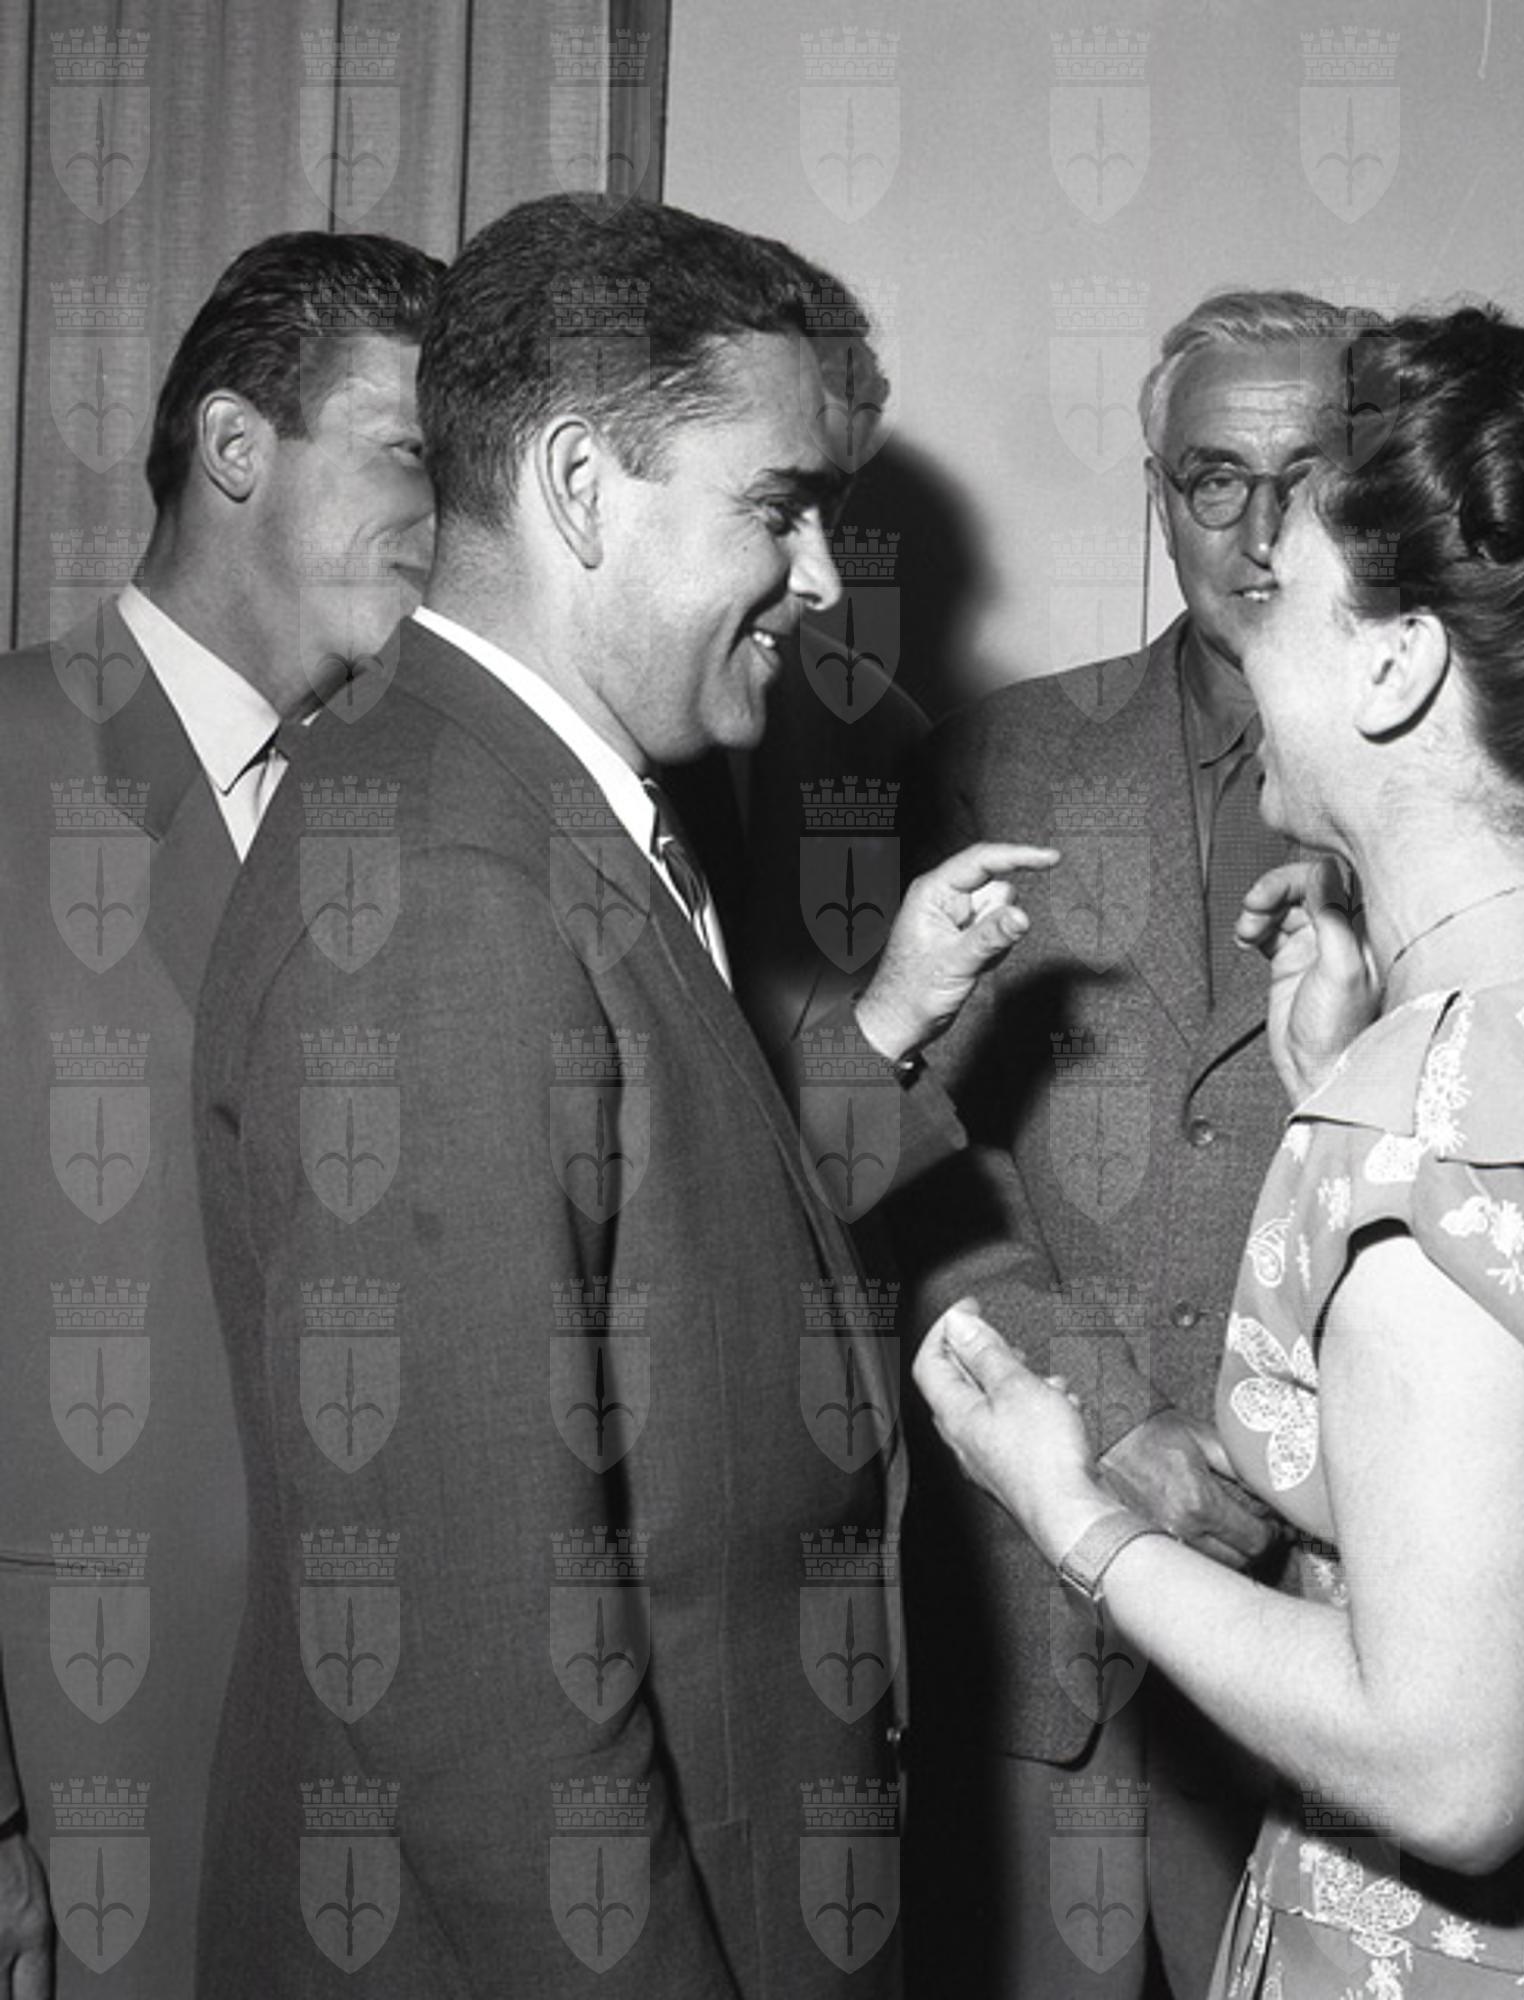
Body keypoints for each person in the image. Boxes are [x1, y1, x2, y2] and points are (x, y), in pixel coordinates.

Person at [914, 307, 1524, 1995]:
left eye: (1282, 593)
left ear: (1393, 666)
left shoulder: (1430, 1132)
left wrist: (1067, 1510)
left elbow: (1453, 1775)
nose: (1242, 612)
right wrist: (1346, 1080)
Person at [190, 193, 1050, 1998]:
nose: (821, 578)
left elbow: (666, 1240)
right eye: (776, 507)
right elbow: (481, 1679)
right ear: (580, 486)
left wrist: (884, 1033)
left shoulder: (541, 805)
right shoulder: (442, 891)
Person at [891, 290, 1372, 1998]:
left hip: (1348, 1630)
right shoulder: (1000, 757)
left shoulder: (1466, 779)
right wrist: (1107, 1418)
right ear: (1157, 491)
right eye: (1211, 480)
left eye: (1311, 479)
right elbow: (901, 1150)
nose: (1258, 533)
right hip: (1045, 1625)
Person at [0, 228, 442, 1998]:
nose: (443, 516)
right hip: (93, 1755)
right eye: (406, 454)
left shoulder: (423, 817)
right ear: (238, 448)